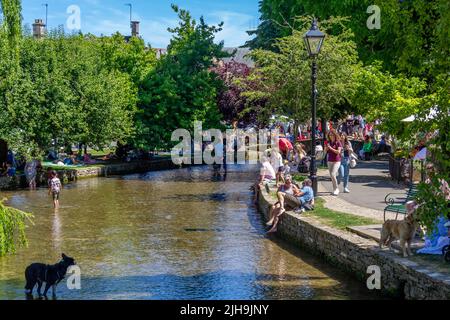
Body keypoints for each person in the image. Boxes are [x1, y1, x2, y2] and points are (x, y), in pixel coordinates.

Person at [325, 129, 343, 196]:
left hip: (336, 161)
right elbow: (325, 151)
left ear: (335, 135)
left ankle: (337, 189)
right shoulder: (328, 142)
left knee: (333, 174)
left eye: (332, 135)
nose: (331, 136)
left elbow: (338, 152)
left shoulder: (338, 142)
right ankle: (334, 189)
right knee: (332, 176)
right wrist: (326, 148)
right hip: (329, 160)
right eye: (330, 135)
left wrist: (330, 148)